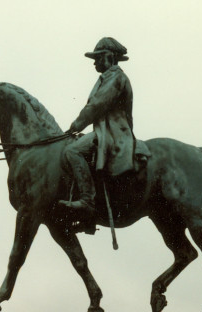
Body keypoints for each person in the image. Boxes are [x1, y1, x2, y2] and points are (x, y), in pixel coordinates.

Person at [59, 37, 134, 216]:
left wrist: (76, 125)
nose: (95, 63)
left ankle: (87, 200)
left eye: (98, 58)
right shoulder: (107, 77)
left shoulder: (116, 77)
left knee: (72, 151)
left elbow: (97, 106)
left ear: (108, 56)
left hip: (114, 132)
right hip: (103, 130)